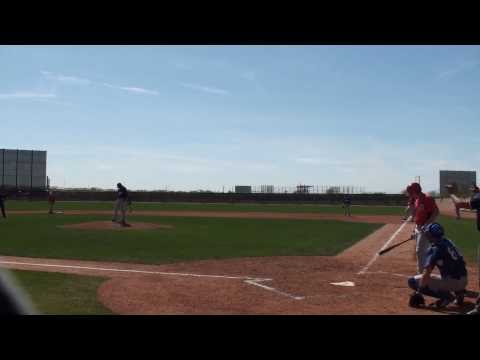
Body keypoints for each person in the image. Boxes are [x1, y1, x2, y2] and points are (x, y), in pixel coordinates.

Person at [407, 223, 468, 309]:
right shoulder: (448, 241)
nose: (427, 235)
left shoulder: (434, 249)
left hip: (452, 283)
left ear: (431, 235)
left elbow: (426, 273)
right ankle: (460, 294)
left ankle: (446, 297)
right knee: (451, 270)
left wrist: (419, 292)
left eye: (428, 234)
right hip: (464, 280)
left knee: (412, 281)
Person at [407, 182, 439, 274]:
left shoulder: (427, 199)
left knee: (420, 251)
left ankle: (422, 276)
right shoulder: (417, 200)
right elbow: (417, 216)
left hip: (426, 229)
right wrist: (415, 230)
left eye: (411, 192)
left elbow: (436, 212)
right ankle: (421, 273)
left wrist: (427, 224)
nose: (410, 194)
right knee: (421, 252)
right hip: (419, 227)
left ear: (415, 191)